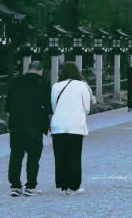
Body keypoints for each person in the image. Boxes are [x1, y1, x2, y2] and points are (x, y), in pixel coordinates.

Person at [6, 59, 53, 196]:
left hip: (16, 125)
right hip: (35, 126)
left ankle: (15, 186)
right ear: (40, 70)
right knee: (33, 156)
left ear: (29, 69)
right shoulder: (44, 83)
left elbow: (8, 107)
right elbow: (48, 108)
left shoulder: (16, 82)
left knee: (15, 156)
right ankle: (30, 186)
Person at [50, 61, 94, 194]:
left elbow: (53, 106)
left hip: (58, 125)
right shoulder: (82, 86)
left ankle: (62, 185)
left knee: (60, 156)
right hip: (76, 125)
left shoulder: (56, 86)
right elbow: (87, 108)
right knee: (74, 155)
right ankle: (74, 185)